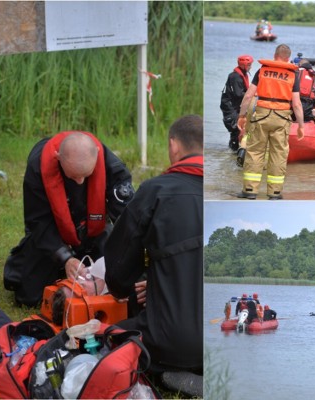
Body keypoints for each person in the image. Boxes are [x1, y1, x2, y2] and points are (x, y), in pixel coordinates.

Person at [104, 114, 203, 375]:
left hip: (170, 344)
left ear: (174, 146)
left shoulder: (155, 191)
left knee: (103, 334)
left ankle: (169, 368)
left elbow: (118, 274)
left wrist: (154, 283)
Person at [3, 131, 134, 307]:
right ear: (58, 158)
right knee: (30, 297)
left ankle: (85, 260)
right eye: (73, 176)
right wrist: (65, 258)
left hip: (93, 228)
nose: (80, 182)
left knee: (120, 279)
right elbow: (37, 221)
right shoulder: (38, 166)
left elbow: (127, 217)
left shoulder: (112, 166)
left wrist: (126, 253)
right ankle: (50, 264)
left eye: (85, 176)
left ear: (96, 155)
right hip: (53, 231)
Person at [236, 44, 304, 200]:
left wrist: (242, 115)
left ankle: (249, 190)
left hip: (261, 116)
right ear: (288, 58)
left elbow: (248, 96)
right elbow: (297, 104)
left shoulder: (262, 71)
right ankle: (274, 193)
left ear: (275, 55)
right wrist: (300, 125)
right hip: (281, 119)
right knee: (278, 155)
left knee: (254, 152)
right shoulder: (293, 75)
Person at [220, 55, 253, 152]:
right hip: (229, 107)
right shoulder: (235, 76)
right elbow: (239, 94)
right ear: (244, 65)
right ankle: (234, 153)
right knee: (236, 130)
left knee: (239, 129)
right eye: (249, 65)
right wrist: (252, 93)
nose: (251, 67)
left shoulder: (241, 75)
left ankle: (234, 152)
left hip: (235, 106)